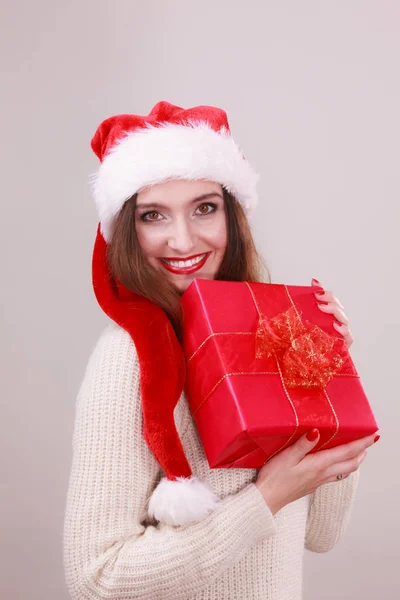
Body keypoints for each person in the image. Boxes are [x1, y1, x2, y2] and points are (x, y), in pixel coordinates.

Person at [63, 101, 379, 600]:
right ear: (128, 230)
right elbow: (97, 575)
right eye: (153, 216)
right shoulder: (127, 357)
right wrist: (262, 499)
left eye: (204, 208)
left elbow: (321, 535)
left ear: (232, 216)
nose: (182, 239)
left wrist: (332, 376)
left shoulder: (268, 328)